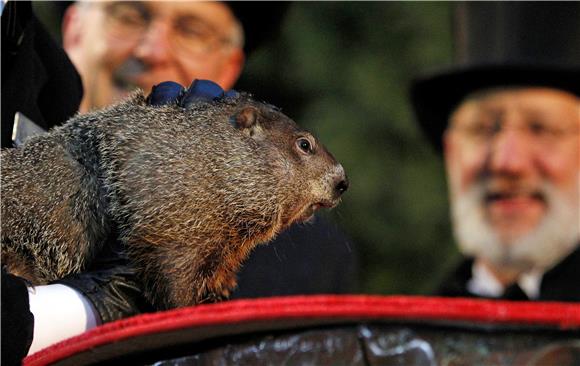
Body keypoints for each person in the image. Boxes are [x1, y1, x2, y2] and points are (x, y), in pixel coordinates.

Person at [2, 1, 358, 361]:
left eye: (192, 31)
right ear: (75, 27)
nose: (153, 51)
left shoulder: (311, 263)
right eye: (128, 15)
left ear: (230, 66)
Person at [411, 64, 579, 301]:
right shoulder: (413, 329)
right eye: (482, 129)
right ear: (451, 153)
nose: (507, 162)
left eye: (541, 129)